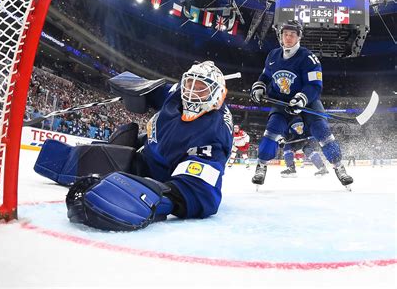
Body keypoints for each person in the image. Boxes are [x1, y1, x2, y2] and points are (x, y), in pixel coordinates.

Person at [35, 61, 234, 231]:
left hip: (167, 173)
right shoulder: (178, 92)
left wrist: (161, 198)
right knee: (98, 152)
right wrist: (140, 90)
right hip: (148, 151)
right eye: (190, 83)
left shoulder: (214, 134)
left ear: (218, 95)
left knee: (116, 171)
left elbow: (202, 191)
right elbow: (162, 94)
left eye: (200, 88)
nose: (191, 92)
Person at [250, 20, 352, 188]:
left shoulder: (308, 58)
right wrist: (259, 86)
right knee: (272, 132)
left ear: (299, 37)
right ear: (281, 36)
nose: (288, 37)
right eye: (285, 34)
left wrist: (301, 98)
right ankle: (261, 166)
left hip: (307, 103)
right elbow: (266, 76)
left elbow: (314, 85)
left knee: (323, 132)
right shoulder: (273, 56)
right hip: (282, 103)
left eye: (292, 34)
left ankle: (339, 167)